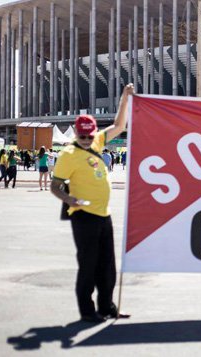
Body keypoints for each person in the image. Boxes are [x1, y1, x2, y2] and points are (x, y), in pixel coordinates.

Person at [50, 83, 134, 323]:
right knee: (88, 265)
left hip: (103, 214)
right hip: (83, 215)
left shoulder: (97, 142)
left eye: (90, 135)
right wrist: (69, 199)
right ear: (76, 134)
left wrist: (125, 97)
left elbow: (120, 126)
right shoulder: (68, 155)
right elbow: (55, 186)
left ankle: (107, 307)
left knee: (107, 266)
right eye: (83, 136)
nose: (87, 140)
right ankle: (87, 311)